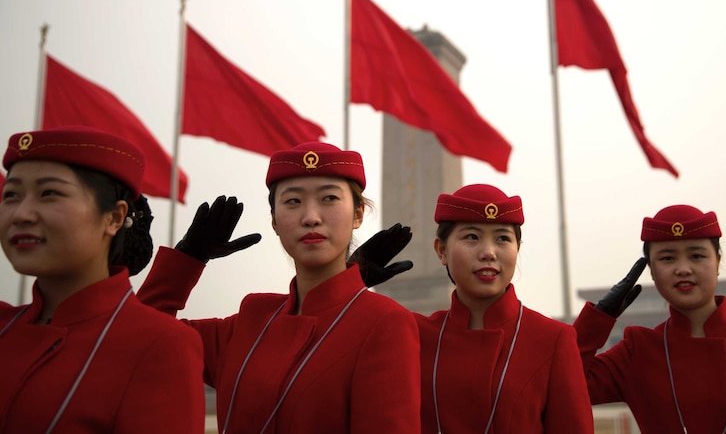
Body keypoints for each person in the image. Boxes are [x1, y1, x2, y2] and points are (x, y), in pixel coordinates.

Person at [137, 141, 421, 433]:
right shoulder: (252, 319)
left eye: (329, 198)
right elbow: (138, 340)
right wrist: (186, 259)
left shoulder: (384, 323)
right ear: (274, 220)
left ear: (358, 214)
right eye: (293, 201)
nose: (311, 217)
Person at [0, 126, 204, 433]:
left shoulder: (160, 345)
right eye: (11, 195)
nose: (21, 214)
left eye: (49, 193)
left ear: (114, 217)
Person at [574, 204, 726, 433]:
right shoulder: (638, 349)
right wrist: (598, 318)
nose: (683, 268)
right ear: (651, 271)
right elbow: (567, 384)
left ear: (718, 262)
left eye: (697, 256)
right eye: (667, 258)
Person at [412, 184, 593, 433]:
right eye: (472, 237)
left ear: (517, 249)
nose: (488, 252)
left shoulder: (553, 340)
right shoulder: (415, 336)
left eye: (502, 239)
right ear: (441, 250)